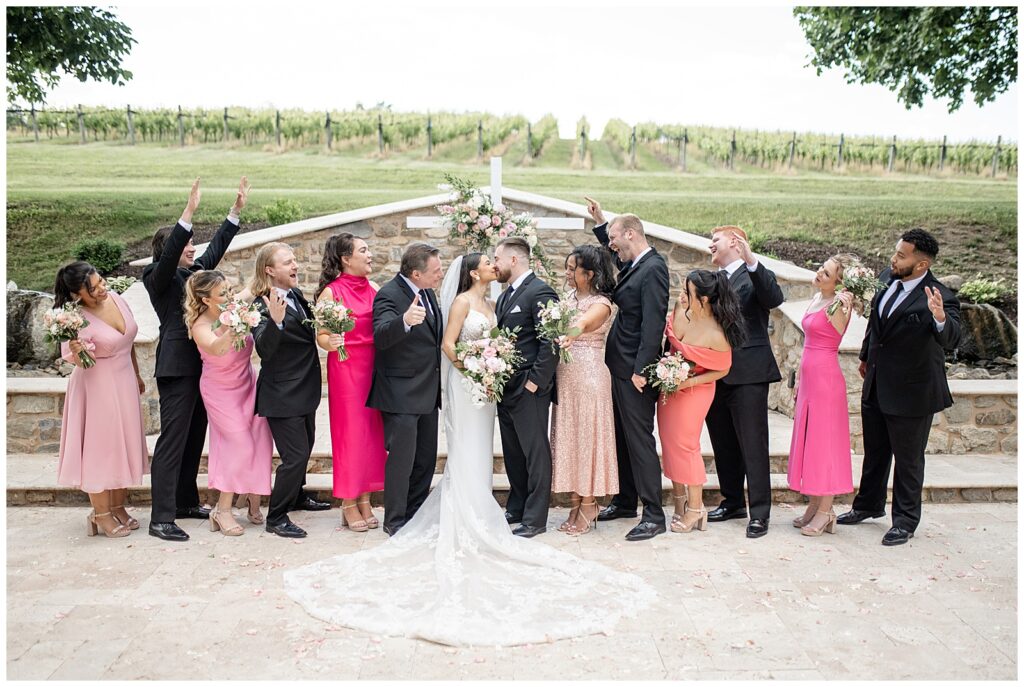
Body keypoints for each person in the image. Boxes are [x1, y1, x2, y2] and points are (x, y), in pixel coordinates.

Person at [281, 253, 654, 647]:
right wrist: (475, 371)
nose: (495, 265)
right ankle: (431, 512)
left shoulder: (493, 304)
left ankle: (480, 505)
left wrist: (490, 368)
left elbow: (498, 340)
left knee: (477, 449)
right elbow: (447, 344)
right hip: (466, 383)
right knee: (451, 449)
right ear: (474, 272)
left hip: (487, 386)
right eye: (489, 263)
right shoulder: (457, 301)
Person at [838, 229, 961, 546]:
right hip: (877, 383)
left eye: (902, 255)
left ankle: (905, 521)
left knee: (908, 460)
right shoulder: (886, 278)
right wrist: (866, 356)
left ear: (921, 265)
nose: (894, 258)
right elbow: (876, 325)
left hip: (913, 392)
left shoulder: (940, 296)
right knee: (875, 452)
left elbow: (952, 338)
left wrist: (939, 318)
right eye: (896, 252)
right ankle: (867, 505)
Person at [144, 176, 248, 542]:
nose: (192, 249)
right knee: (173, 439)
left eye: (192, 244)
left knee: (194, 436)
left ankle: (186, 501)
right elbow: (171, 254)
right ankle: (161, 518)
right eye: (186, 244)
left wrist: (234, 214)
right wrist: (187, 213)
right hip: (176, 368)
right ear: (169, 248)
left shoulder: (193, 277)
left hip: (203, 367)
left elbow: (214, 252)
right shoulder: (156, 278)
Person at [585, 197, 670, 541]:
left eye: (616, 240)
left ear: (632, 234)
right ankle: (625, 500)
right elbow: (614, 247)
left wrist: (642, 370)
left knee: (639, 441)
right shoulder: (636, 265)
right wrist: (603, 221)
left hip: (635, 372)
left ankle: (653, 514)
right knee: (621, 438)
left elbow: (653, 324)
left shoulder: (654, 269)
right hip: (619, 367)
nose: (612, 247)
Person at [703, 225, 785, 539]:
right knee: (723, 442)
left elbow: (773, 297)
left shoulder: (753, 275)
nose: (710, 246)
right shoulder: (714, 280)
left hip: (748, 373)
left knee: (752, 443)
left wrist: (752, 259)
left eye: (716, 240)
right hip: (716, 372)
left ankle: (760, 512)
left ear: (735, 243)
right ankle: (732, 500)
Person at [55, 262, 149, 537]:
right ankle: (101, 514)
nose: (102, 289)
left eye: (101, 282)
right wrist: (76, 349)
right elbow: (80, 362)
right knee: (101, 449)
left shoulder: (117, 299)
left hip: (124, 382)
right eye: (94, 288)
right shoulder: (74, 318)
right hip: (96, 387)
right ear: (77, 294)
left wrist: (137, 374)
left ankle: (118, 506)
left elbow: (127, 342)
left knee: (125, 445)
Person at [184, 270, 273, 536]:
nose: (229, 296)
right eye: (222, 294)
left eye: (229, 291)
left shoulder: (234, 306)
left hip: (247, 382)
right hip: (220, 391)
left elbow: (254, 286)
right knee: (239, 444)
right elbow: (217, 348)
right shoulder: (200, 324)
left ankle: (253, 497)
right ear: (206, 299)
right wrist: (235, 325)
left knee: (259, 439)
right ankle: (221, 510)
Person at [658, 270, 745, 534]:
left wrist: (687, 382)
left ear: (704, 298)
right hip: (670, 387)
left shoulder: (717, 333)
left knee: (686, 446)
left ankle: (696, 509)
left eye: (688, 292)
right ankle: (679, 502)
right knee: (669, 444)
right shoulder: (681, 309)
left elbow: (722, 369)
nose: (682, 296)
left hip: (696, 390)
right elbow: (671, 343)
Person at [367, 242, 444, 536]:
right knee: (402, 461)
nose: (440, 275)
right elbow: (381, 335)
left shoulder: (426, 292)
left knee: (425, 458)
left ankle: (415, 514)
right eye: (435, 271)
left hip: (427, 391)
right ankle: (395, 520)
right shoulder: (389, 294)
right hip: (401, 394)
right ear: (416, 273)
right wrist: (405, 322)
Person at [251, 242, 326, 538]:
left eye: (294, 260)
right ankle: (277, 516)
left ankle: (296, 496)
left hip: (304, 389)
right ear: (270, 270)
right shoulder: (260, 304)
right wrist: (277, 323)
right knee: (294, 457)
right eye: (287, 262)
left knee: (305, 448)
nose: (295, 265)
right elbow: (264, 350)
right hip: (281, 394)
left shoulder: (294, 294)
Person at [315, 233, 386, 532]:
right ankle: (347, 502)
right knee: (351, 436)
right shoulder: (330, 293)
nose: (370, 255)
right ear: (345, 258)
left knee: (372, 436)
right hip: (347, 370)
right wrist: (330, 341)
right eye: (364, 250)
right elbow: (320, 336)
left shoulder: (374, 287)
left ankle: (366, 499)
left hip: (374, 368)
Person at [492, 237, 559, 537]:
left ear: (514, 260)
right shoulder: (506, 296)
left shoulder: (540, 291)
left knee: (535, 453)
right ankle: (516, 505)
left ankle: (535, 518)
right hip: (506, 388)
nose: (494, 264)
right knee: (513, 452)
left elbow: (551, 340)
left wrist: (535, 382)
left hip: (529, 389)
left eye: (497, 258)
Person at [550, 245, 617, 535]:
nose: (566, 272)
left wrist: (568, 335)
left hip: (590, 377)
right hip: (565, 378)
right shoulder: (566, 298)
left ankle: (590, 502)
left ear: (588, 274)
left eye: (571, 268)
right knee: (570, 439)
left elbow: (583, 324)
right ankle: (576, 502)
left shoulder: (601, 303)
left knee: (588, 438)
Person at [787, 256, 857, 536]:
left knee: (824, 444)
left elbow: (836, 332)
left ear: (838, 282)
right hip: (809, 379)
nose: (819, 273)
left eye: (826, 273)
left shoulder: (840, 305)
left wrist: (846, 299)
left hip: (826, 380)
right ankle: (814, 505)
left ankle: (827, 510)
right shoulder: (817, 297)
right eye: (821, 268)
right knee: (810, 442)